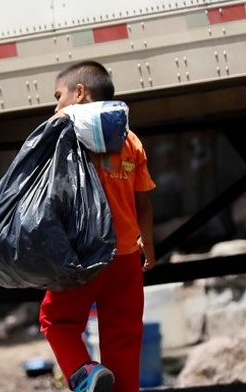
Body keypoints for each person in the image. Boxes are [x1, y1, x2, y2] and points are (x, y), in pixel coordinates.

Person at [39, 60, 156, 392]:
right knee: (124, 338)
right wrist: (147, 244)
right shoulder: (131, 140)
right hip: (125, 259)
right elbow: (144, 200)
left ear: (79, 93)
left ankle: (84, 372)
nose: (56, 105)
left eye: (58, 96)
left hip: (83, 258)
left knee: (57, 321)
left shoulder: (68, 135)